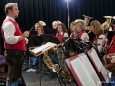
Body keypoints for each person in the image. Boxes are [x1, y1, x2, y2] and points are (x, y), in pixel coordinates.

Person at [1, 3, 29, 86]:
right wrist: (23, 36)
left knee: (14, 76)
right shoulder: (9, 23)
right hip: (14, 53)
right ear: (10, 11)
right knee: (13, 76)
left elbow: (15, 36)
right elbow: (9, 39)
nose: (18, 11)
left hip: (16, 53)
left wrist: (23, 39)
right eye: (16, 9)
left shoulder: (12, 22)